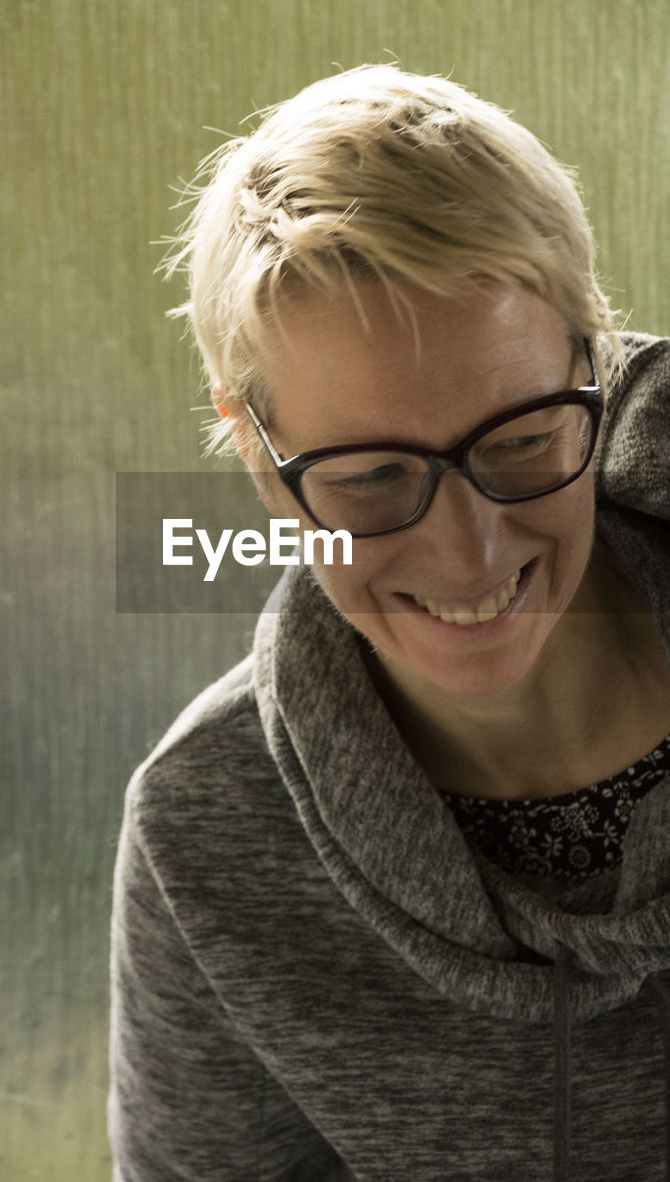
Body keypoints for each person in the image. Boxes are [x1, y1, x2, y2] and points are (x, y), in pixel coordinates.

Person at [108, 65, 670, 1181]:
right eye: (371, 477)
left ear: (593, 361)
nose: (469, 551)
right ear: (260, 460)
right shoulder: (205, 832)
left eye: (519, 440)